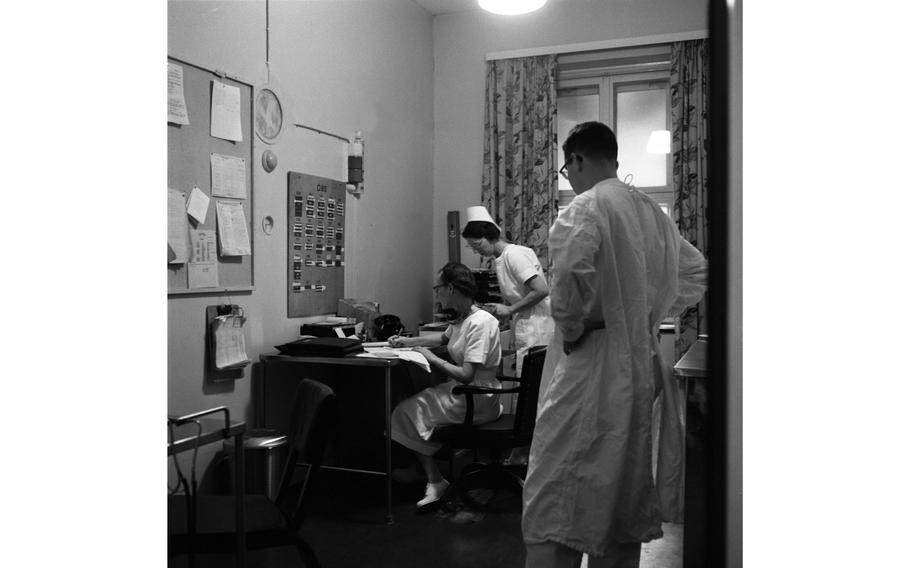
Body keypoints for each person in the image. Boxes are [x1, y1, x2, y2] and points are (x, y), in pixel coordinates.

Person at [522, 122, 707, 568]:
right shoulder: (650, 213)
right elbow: (697, 270)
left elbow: (566, 289)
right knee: (622, 486)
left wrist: (578, 327)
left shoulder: (585, 207)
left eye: (568, 170)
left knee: (555, 486)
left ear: (579, 160)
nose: (570, 179)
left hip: (593, 360)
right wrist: (643, 312)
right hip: (640, 363)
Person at [387, 262, 502, 512]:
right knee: (414, 405)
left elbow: (466, 375)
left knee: (405, 410)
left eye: (437, 287)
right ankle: (421, 468)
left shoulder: (479, 323)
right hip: (469, 393)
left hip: (474, 396)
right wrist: (407, 341)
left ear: (450, 288)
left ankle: (434, 479)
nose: (436, 293)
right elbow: (442, 338)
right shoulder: (466, 318)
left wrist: (433, 359)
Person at [462, 205, 554, 465]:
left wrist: (510, 309)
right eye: (471, 246)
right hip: (530, 326)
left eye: (477, 242)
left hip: (537, 329)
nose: (476, 249)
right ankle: (525, 454)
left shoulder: (513, 255)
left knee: (533, 394)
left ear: (491, 236)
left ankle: (528, 456)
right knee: (532, 393)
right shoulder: (504, 258)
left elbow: (541, 289)